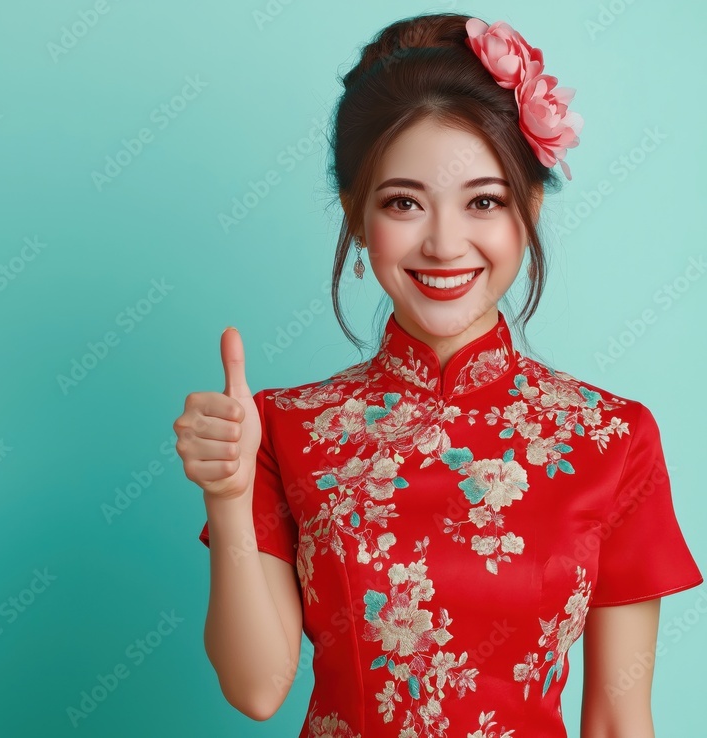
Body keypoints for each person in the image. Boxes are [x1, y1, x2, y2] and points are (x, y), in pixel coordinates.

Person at [173, 11, 704, 738]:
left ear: (531, 206)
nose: (445, 243)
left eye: (483, 201)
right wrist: (229, 499)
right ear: (358, 217)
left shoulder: (613, 439)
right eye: (403, 203)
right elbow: (258, 689)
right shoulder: (281, 430)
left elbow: (618, 719)